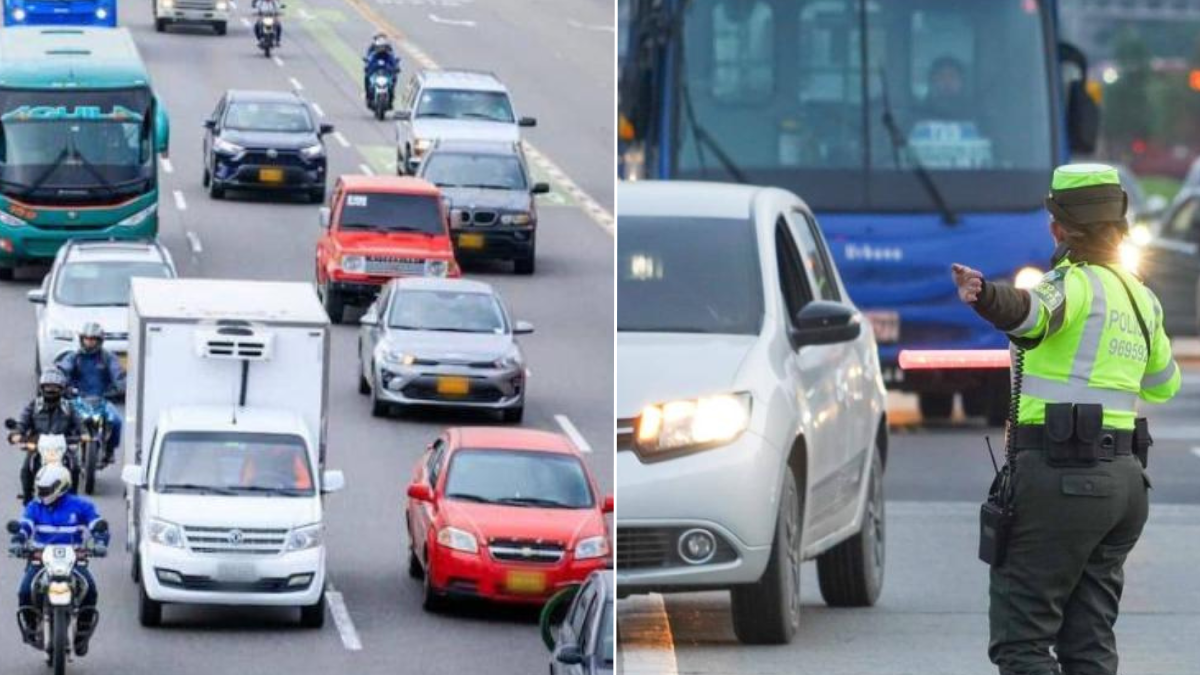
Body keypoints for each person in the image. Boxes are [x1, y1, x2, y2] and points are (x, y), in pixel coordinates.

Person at [952, 163, 1181, 675]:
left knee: (1022, 641)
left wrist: (985, 295)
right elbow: (1165, 383)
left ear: (1057, 227)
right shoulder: (1142, 298)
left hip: (1062, 481)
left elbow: (1029, 311)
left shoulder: (1072, 285)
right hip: (1124, 487)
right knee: (1088, 642)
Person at [10, 464, 108, 656]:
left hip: (73, 559)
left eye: (45, 490)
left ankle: (82, 634)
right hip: (40, 559)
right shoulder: (34, 506)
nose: (41, 493)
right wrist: (18, 540)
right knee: (24, 590)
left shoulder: (81, 505)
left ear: (60, 487)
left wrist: (100, 541)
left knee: (90, 589)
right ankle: (31, 627)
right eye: (40, 489)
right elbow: (25, 526)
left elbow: (97, 525)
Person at [9, 370, 82, 504]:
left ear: (62, 388)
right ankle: (27, 498)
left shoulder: (69, 407)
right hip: (38, 445)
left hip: (63, 445)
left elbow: (79, 423)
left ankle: (73, 499)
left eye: (54, 387)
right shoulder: (34, 406)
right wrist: (16, 433)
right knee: (26, 468)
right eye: (48, 386)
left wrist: (84, 434)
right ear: (42, 388)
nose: (51, 390)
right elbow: (23, 422)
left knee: (75, 467)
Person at [56, 323, 124, 466]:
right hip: (78, 400)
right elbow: (62, 370)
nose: (89, 342)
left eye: (93, 339)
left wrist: (121, 386)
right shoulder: (74, 357)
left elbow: (118, 374)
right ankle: (63, 451)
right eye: (86, 339)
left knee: (117, 421)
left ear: (99, 340)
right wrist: (59, 382)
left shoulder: (108, 357)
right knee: (61, 420)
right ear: (82, 339)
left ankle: (110, 450)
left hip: (102, 400)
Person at [921, 55, 972, 120]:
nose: (947, 82)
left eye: (952, 76)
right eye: (941, 77)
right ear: (933, 82)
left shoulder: (975, 112)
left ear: (962, 81)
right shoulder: (919, 112)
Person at [363, 33, 401, 107]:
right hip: (376, 74)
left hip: (386, 74)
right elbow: (369, 61)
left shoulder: (389, 54)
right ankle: (368, 96)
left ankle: (391, 97)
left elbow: (393, 61)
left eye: (383, 47)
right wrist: (367, 67)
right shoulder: (373, 54)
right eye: (380, 47)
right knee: (367, 78)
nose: (381, 49)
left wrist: (396, 68)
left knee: (394, 79)